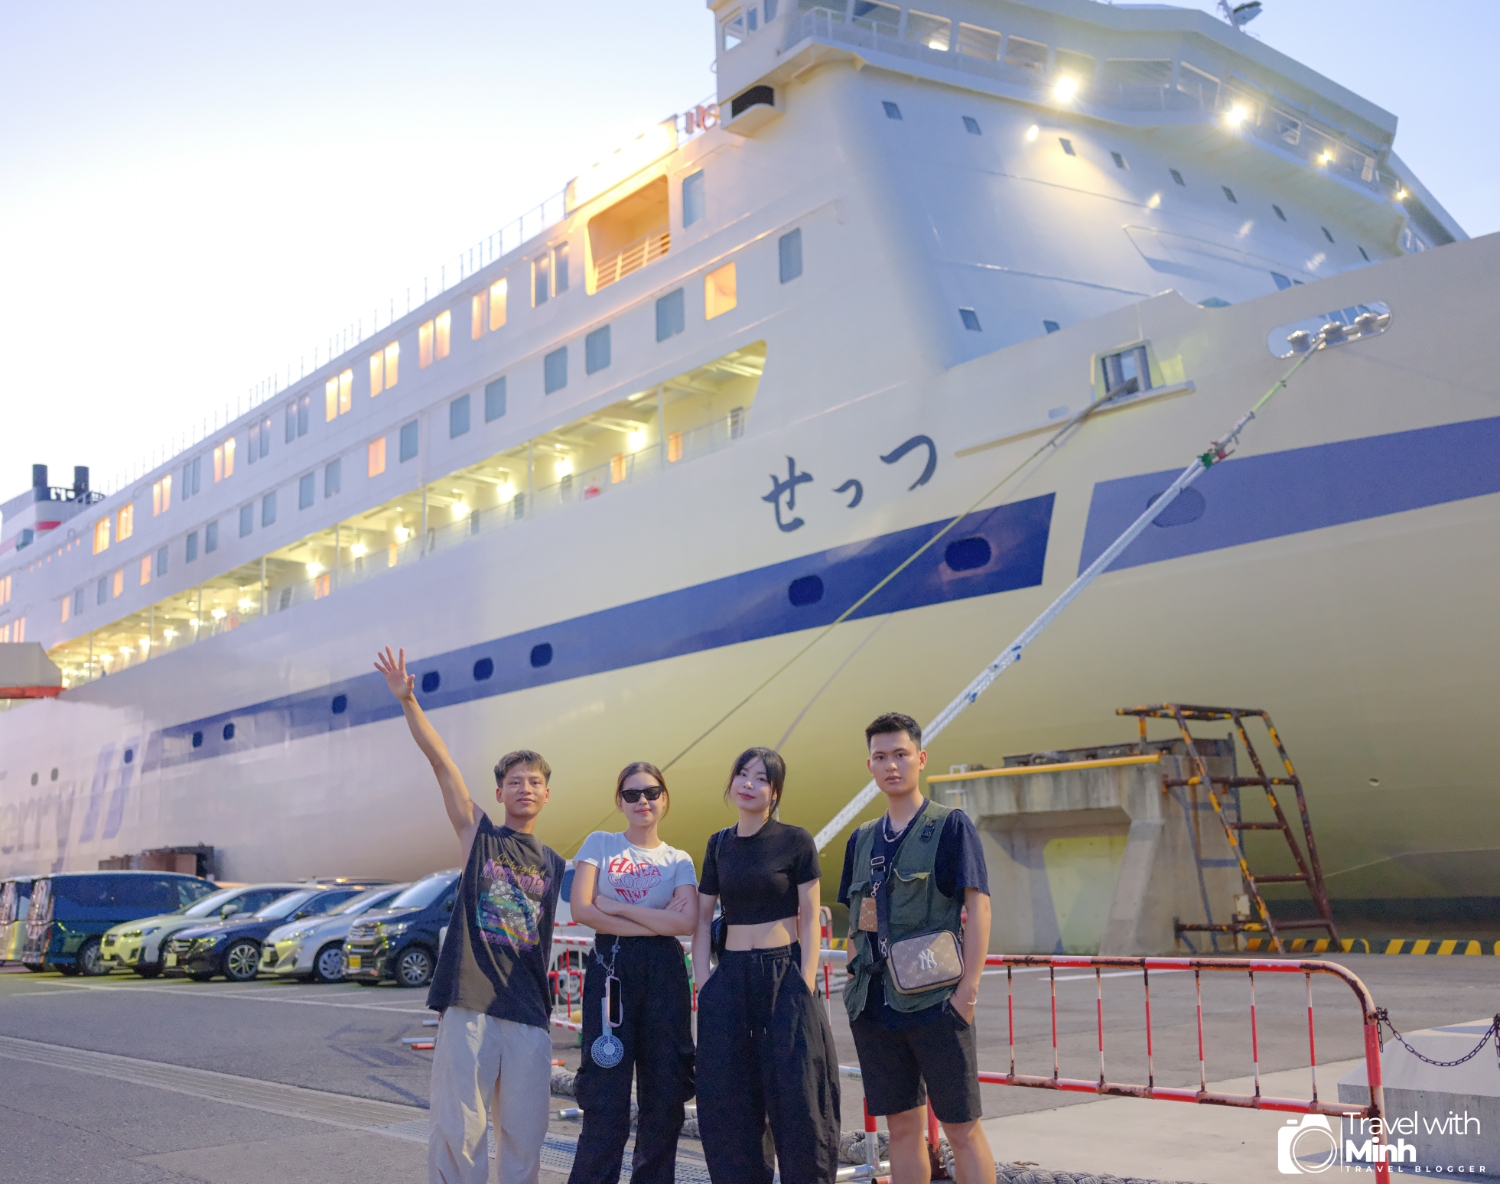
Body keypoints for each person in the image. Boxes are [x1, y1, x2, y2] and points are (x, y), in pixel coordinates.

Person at [375, 646, 565, 1184]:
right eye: (515, 781)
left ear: (546, 794)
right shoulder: (479, 835)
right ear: (500, 791)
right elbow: (443, 764)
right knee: (461, 1130)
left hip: (527, 1009)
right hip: (470, 1000)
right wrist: (408, 701)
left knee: (526, 1133)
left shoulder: (555, 862)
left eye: (535, 781)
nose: (525, 788)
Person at [837, 712, 995, 1184]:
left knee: (961, 1128)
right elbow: (864, 912)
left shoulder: (949, 826)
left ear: (921, 759)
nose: (892, 765)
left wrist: (967, 993)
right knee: (902, 1128)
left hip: (936, 1001)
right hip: (875, 1004)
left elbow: (978, 907)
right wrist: (854, 976)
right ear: (869, 765)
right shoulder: (862, 839)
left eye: (901, 754)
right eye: (881, 756)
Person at [692, 747, 841, 1184]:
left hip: (784, 974)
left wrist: (805, 981)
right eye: (743, 774)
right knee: (730, 1097)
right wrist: (704, 983)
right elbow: (701, 919)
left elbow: (810, 917)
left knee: (799, 1094)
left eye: (761, 778)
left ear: (775, 792)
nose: (749, 784)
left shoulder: (796, 840)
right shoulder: (718, 844)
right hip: (730, 977)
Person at [565, 762, 699, 1184]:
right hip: (612, 971)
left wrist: (617, 907)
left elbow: (686, 923)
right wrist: (656, 921)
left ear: (665, 798)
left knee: (665, 1094)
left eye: (652, 792)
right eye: (632, 794)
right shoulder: (600, 844)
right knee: (604, 1095)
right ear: (619, 802)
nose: (643, 801)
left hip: (665, 975)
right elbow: (583, 909)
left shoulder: (678, 859)